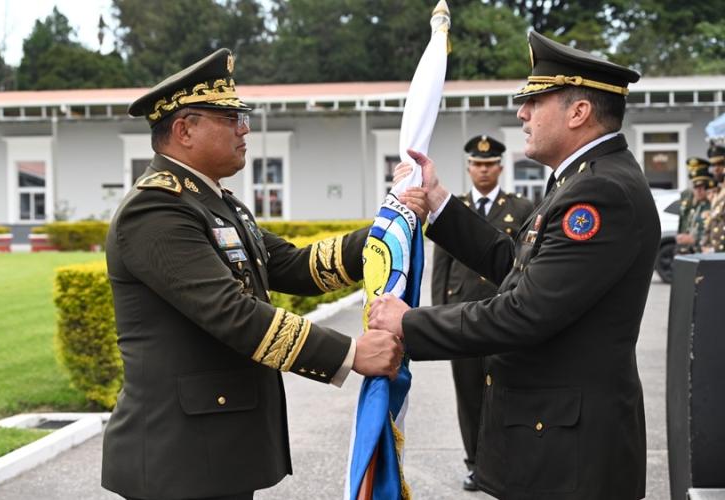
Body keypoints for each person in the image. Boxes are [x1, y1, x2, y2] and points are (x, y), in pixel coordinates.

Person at [101, 48, 405, 500]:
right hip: (179, 458)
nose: (245, 130)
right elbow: (232, 313)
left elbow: (295, 266)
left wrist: (388, 226)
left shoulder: (218, 204)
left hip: (213, 445)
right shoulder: (157, 209)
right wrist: (349, 353)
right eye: (231, 118)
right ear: (185, 129)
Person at [373, 31, 659, 499]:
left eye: (535, 100)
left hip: (569, 452)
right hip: (555, 437)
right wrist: (440, 203)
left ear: (579, 112)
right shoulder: (583, 181)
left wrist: (410, 323)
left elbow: (526, 311)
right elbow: (515, 265)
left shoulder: (599, 193)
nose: (522, 113)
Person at [430, 134, 533, 492]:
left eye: (489, 165)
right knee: (469, 393)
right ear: (468, 167)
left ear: (500, 168)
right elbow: (441, 266)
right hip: (462, 316)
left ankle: (508, 461)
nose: (483, 170)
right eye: (477, 164)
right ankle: (475, 463)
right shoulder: (453, 207)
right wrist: (439, 318)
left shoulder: (520, 209)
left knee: (506, 389)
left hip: (503, 313)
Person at [676, 158, 713, 254]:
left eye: (702, 187)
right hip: (690, 252)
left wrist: (694, 240)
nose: (698, 190)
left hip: (705, 254)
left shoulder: (712, 206)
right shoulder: (693, 205)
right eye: (696, 187)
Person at [702, 143, 725, 252]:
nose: (716, 169)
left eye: (720, 164)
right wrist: (706, 244)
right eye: (714, 165)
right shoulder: (717, 193)